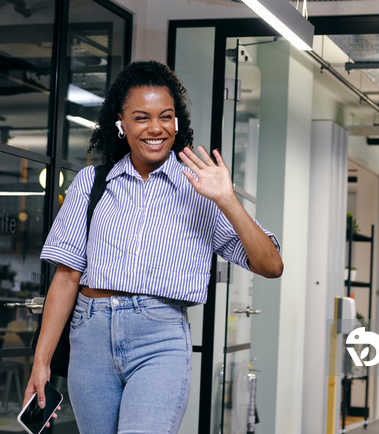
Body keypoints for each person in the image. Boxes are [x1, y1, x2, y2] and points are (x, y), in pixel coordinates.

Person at [25, 60, 283, 434]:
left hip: (159, 338)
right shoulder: (91, 184)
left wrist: (227, 199)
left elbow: (271, 265)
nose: (156, 128)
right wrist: (41, 362)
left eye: (166, 116)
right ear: (121, 122)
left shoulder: (202, 188)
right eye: (141, 117)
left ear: (177, 121)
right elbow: (66, 277)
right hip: (90, 335)